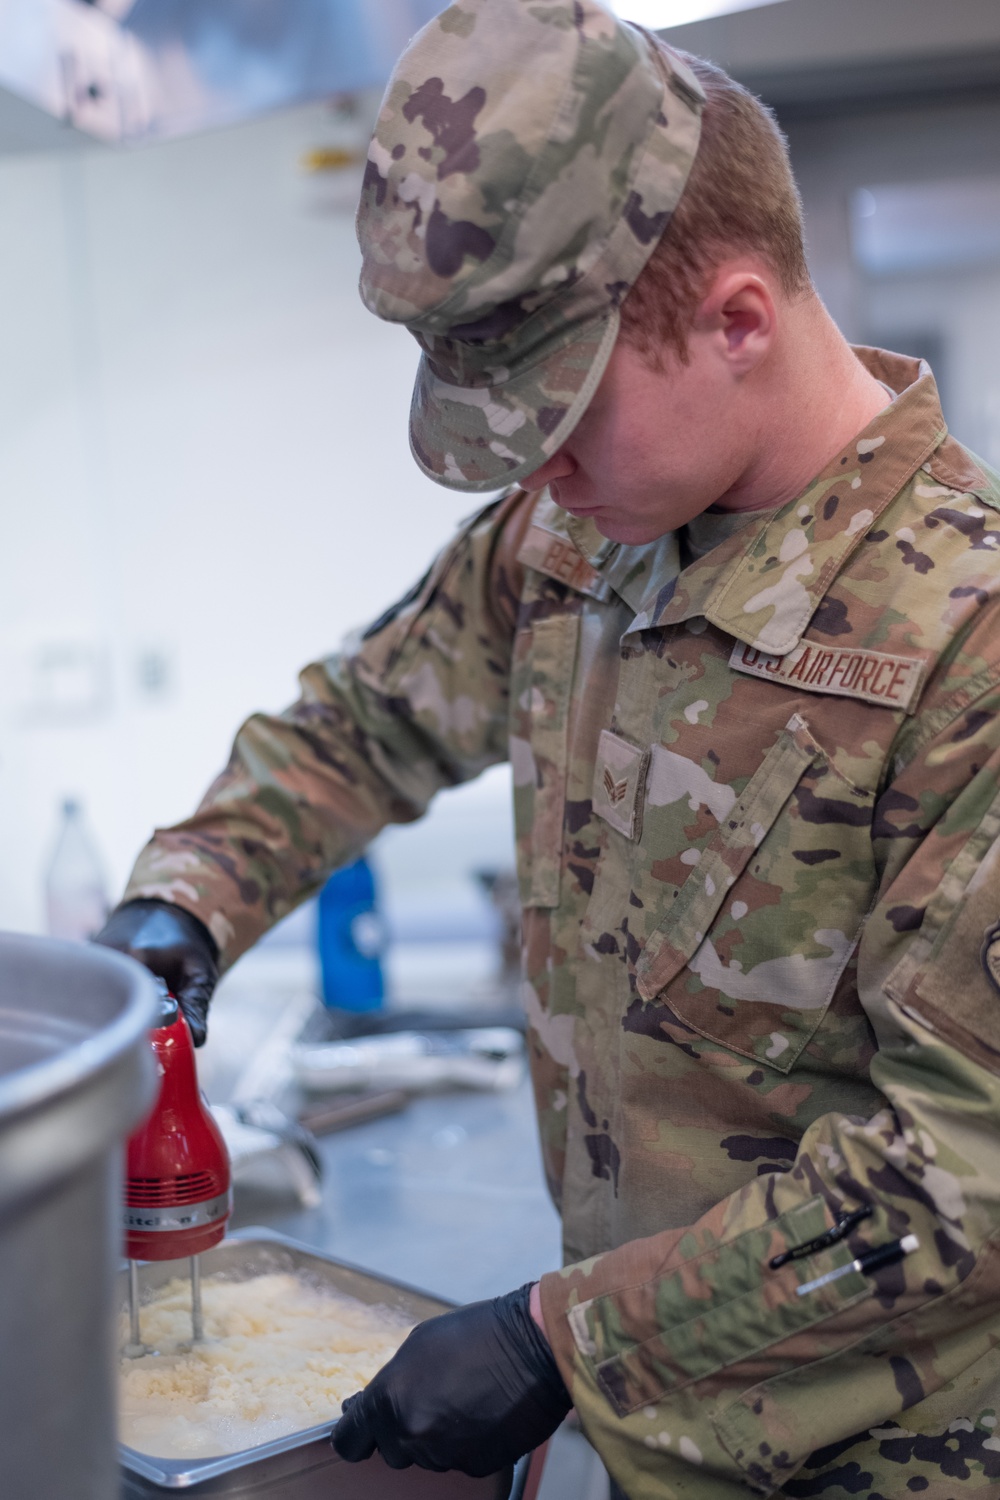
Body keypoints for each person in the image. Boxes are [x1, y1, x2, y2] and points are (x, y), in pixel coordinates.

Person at [96, 2, 1000, 1495]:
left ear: (737, 319)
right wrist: (187, 899)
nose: (534, 469)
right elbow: (369, 718)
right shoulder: (573, 540)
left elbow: (965, 1171)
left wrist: (554, 1338)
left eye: (563, 412)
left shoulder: (964, 635)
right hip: (650, 1441)